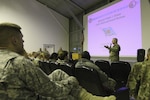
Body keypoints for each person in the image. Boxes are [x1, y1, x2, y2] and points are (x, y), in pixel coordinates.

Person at [0, 22, 116, 100]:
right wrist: (71, 81)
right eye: (22, 40)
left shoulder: (11, 61)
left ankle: (90, 97)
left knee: (58, 73)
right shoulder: (19, 63)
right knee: (69, 95)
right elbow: (54, 91)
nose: (23, 43)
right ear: (14, 40)